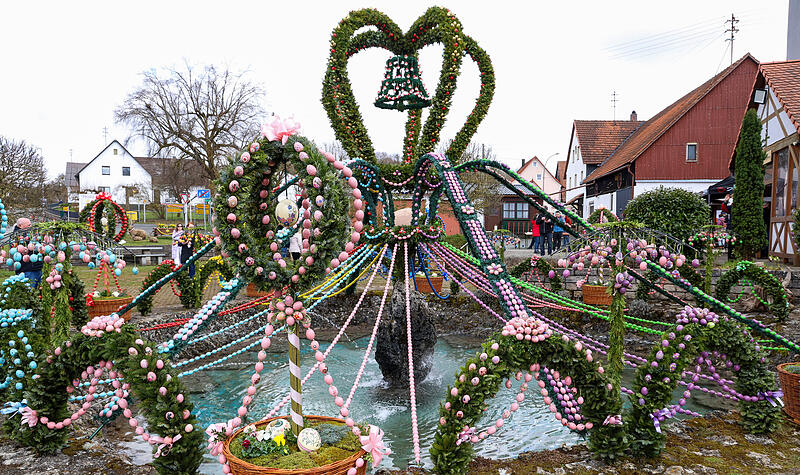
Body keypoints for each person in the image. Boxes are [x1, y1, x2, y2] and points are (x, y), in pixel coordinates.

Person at [12, 218, 42, 288]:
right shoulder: (17, 237)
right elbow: (21, 250)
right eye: (28, 225)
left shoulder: (31, 234)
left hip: (37, 267)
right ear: (20, 225)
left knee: (39, 289)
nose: (30, 226)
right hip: (27, 269)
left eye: (30, 224)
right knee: (30, 289)